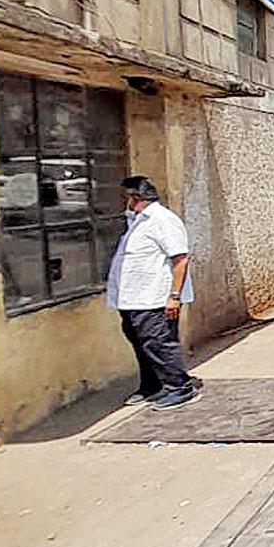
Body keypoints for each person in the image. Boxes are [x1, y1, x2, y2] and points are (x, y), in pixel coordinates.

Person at [107, 176, 200, 411]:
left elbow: (180, 258)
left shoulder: (162, 220)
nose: (123, 202)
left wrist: (174, 296)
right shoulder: (137, 222)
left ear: (136, 198)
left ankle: (179, 387)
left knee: (159, 343)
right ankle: (152, 385)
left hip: (154, 298)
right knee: (141, 343)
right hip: (132, 299)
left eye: (127, 197)